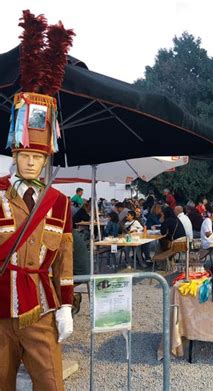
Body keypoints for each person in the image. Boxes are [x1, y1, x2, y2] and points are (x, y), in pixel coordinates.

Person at [0, 14, 74, 389]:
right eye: (25, 154)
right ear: (15, 153)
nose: (30, 161)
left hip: (41, 312)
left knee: (51, 384)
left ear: (47, 159)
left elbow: (63, 262)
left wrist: (65, 306)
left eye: (38, 156)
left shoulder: (59, 203)